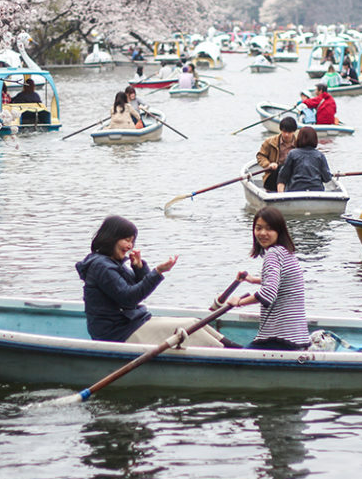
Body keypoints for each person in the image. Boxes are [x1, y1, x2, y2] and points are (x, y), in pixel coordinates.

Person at [76, 216, 235, 347]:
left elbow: (135, 290)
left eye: (132, 241)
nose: (130, 246)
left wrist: (139, 268)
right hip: (118, 333)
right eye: (126, 240)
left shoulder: (111, 263)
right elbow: (129, 298)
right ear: (112, 238)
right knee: (188, 327)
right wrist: (157, 272)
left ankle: (237, 349)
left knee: (194, 322)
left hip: (132, 323)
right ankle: (236, 354)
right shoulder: (102, 266)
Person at [226, 208, 310, 351]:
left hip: (279, 339)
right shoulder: (286, 252)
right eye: (258, 228)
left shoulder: (272, 254)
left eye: (269, 229)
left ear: (279, 231)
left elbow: (268, 293)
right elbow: (283, 281)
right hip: (297, 338)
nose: (263, 233)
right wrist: (254, 280)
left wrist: (239, 302)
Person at [277, 126, 333, 193]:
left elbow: (283, 175)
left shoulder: (292, 154)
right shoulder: (320, 156)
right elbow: (327, 178)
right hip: (316, 190)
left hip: (295, 190)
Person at [256, 116, 298, 191]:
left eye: (289, 132)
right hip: (273, 174)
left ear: (294, 131)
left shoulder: (299, 144)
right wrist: (268, 164)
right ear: (280, 130)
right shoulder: (270, 142)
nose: (286, 135)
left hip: (293, 175)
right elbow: (260, 156)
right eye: (284, 132)